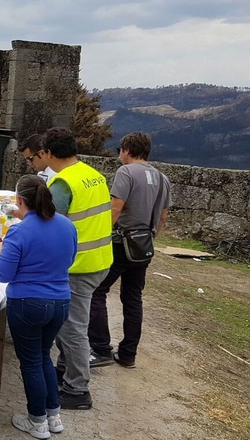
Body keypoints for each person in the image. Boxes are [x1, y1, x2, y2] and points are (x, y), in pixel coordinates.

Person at [0, 175, 77, 439]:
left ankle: (37, 420)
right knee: (43, 356)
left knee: (30, 362)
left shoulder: (19, 230)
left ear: (19, 200)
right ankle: (53, 415)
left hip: (27, 302)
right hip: (60, 300)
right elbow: (70, 260)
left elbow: (2, 274)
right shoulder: (67, 225)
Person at [42, 127, 113, 410]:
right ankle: (65, 369)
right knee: (70, 323)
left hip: (78, 265)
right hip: (99, 259)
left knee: (72, 328)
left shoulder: (62, 182)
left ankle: (78, 389)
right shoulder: (93, 174)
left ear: (48, 153)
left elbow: (49, 224)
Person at [88, 132, 172, 369]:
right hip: (143, 246)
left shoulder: (125, 172)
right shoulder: (162, 178)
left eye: (120, 151)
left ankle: (101, 348)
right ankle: (128, 354)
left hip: (120, 242)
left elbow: (116, 208)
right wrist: (151, 238)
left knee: (96, 291)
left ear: (127, 150)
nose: (119, 156)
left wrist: (101, 235)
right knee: (133, 298)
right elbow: (163, 216)